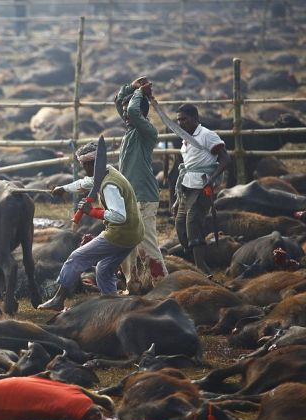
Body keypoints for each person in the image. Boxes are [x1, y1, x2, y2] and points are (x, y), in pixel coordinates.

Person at [38, 140, 145, 311]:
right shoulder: (108, 172)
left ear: (91, 164)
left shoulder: (109, 185)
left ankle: (58, 299)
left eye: (84, 165)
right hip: (134, 233)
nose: (83, 169)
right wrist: (63, 188)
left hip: (120, 233)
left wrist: (92, 211)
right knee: (103, 269)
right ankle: (113, 306)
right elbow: (85, 183)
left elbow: (119, 216)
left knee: (76, 257)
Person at [115, 77, 168, 292]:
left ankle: (163, 286)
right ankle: (133, 285)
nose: (125, 114)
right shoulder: (131, 130)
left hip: (144, 196)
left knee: (147, 244)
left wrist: (138, 94)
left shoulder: (147, 131)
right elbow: (120, 103)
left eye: (128, 111)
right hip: (130, 196)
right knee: (128, 243)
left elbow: (134, 112)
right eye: (125, 112)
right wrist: (132, 88)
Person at [171, 103, 231, 276]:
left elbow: (226, 159)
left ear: (195, 118)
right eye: (178, 120)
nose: (181, 123)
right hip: (186, 186)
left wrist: (211, 179)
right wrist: (177, 199)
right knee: (180, 224)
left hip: (202, 186)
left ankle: (202, 270)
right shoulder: (185, 139)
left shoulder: (207, 135)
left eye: (184, 119)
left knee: (192, 224)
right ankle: (196, 262)